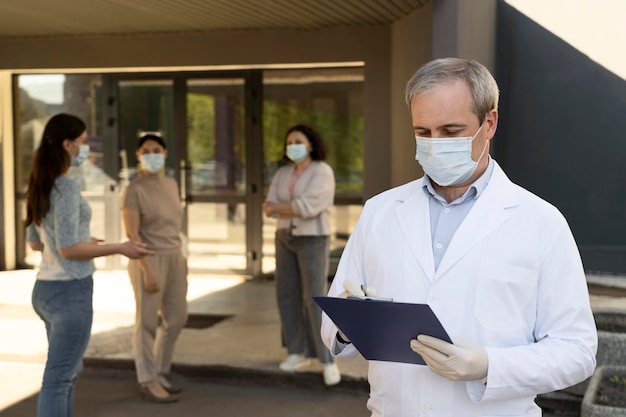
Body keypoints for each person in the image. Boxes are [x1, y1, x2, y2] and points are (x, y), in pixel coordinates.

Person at [321, 58, 598, 416]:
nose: (435, 144)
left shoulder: (541, 222)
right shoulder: (380, 211)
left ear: (490, 123)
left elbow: (576, 351)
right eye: (423, 132)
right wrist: (349, 324)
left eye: (451, 131)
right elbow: (334, 325)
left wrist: (489, 366)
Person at [25, 113, 154, 417]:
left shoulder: (40, 184)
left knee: (63, 377)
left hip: (45, 290)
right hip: (70, 292)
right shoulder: (66, 187)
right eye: (82, 143)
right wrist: (121, 247)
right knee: (59, 381)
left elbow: (37, 241)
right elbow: (68, 248)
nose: (87, 149)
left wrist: (89, 239)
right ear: (67, 144)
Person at [263, 124, 341, 386]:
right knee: (286, 295)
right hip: (284, 237)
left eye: (297, 141)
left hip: (312, 239)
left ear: (310, 144)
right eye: (289, 143)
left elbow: (309, 207)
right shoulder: (283, 172)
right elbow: (267, 206)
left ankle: (327, 360)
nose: (292, 146)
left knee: (313, 298)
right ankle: (296, 352)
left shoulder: (322, 171)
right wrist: (282, 208)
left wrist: (280, 207)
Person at [121, 133, 188, 403]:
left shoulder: (171, 184)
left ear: (165, 152)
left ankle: (160, 370)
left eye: (156, 150)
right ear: (138, 155)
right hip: (148, 258)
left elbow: (176, 226)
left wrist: (183, 257)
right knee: (147, 322)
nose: (152, 154)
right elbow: (132, 233)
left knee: (178, 317)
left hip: (174, 257)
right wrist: (146, 268)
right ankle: (147, 378)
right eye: (146, 151)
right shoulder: (133, 189)